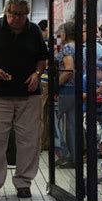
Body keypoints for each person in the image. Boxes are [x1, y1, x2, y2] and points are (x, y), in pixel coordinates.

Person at [0, 0, 48, 199]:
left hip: (29, 97)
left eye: (23, 15)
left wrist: (37, 74)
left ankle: (24, 183)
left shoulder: (33, 30)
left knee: (29, 141)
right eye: (14, 13)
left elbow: (42, 59)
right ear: (7, 11)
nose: (18, 18)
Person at [55, 21, 76, 169]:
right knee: (72, 125)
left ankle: (64, 153)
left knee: (55, 121)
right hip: (76, 89)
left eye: (60, 33)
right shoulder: (79, 46)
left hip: (67, 90)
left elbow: (69, 70)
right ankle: (74, 157)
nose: (59, 36)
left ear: (66, 33)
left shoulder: (68, 48)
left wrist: (55, 85)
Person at [37, 19, 50, 151]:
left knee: (39, 114)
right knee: (44, 114)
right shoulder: (47, 43)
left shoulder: (45, 43)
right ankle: (43, 143)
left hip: (44, 82)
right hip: (46, 81)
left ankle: (39, 144)